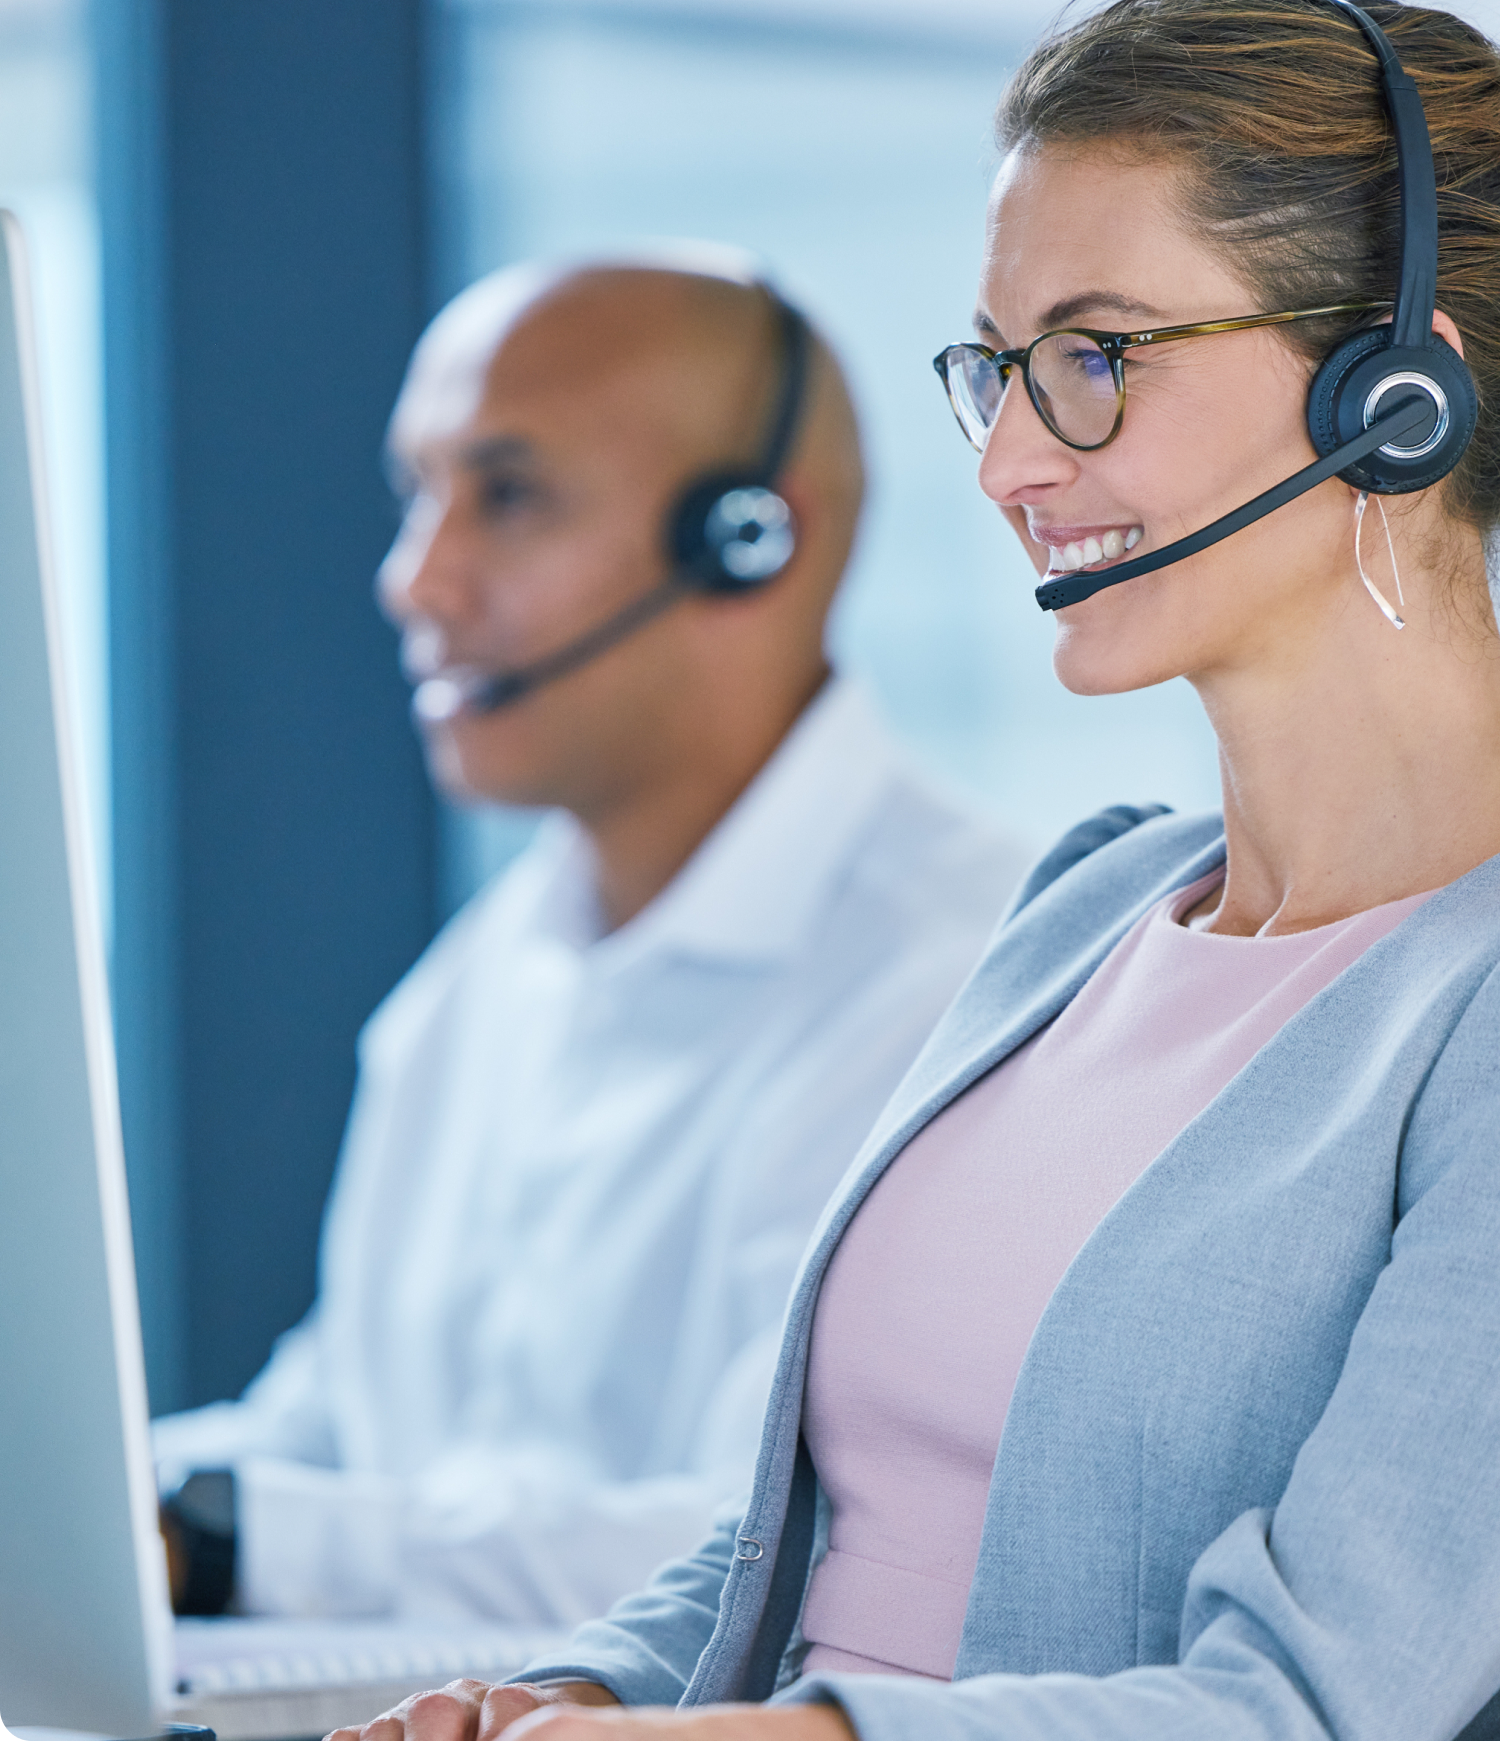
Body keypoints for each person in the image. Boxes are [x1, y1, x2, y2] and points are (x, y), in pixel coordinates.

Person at [329, 0, 1500, 1741]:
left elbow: (1308, 1710)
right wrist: (567, 1697)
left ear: (1394, 392)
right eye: (1000, 369)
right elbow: (812, 1536)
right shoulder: (1092, 903)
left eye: (1096, 358)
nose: (1013, 463)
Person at [151, 255, 1031, 1629]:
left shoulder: (962, 985)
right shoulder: (474, 987)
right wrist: (114, 1502)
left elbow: (776, 1550)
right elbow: (330, 1436)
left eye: (506, 496)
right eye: (417, 495)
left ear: (752, 539)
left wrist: (220, 1543)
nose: (413, 582)